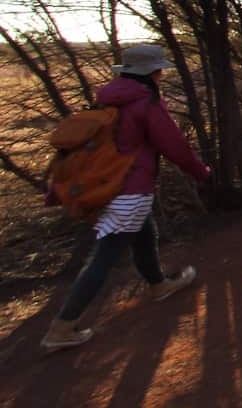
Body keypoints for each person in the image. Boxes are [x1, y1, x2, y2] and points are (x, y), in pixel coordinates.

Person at [40, 44, 211, 353]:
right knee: (105, 256)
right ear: (152, 72)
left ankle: (159, 285)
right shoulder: (145, 103)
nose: (161, 74)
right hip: (130, 190)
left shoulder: (108, 100)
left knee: (145, 232)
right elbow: (174, 145)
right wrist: (201, 172)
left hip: (110, 188)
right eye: (159, 69)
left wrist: (56, 189)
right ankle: (62, 327)